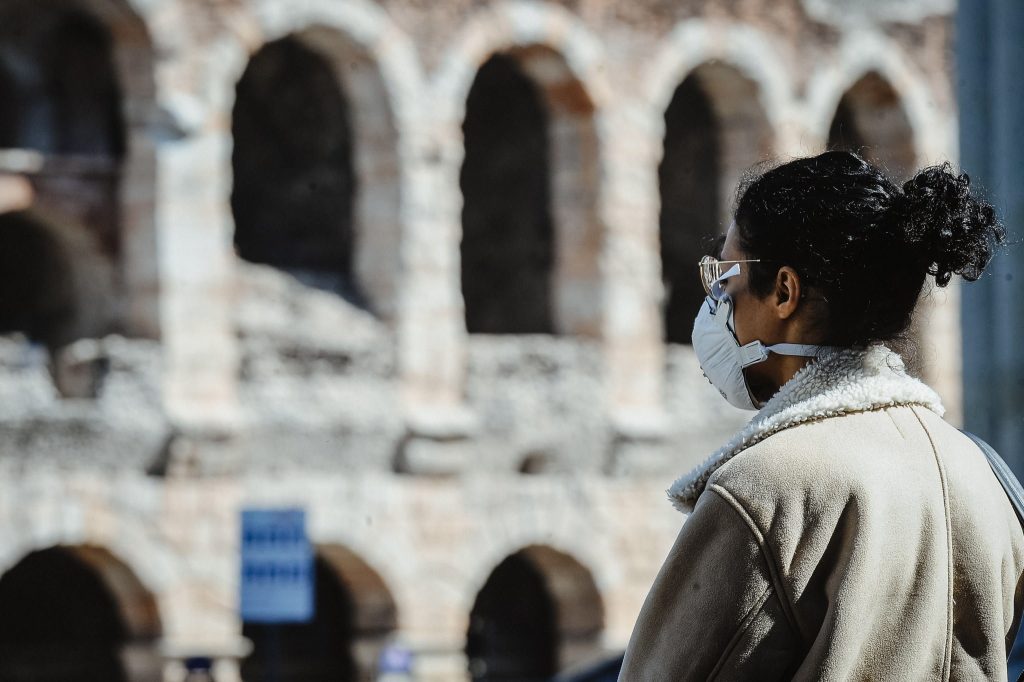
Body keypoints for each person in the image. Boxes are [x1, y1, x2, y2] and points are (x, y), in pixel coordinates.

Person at [620, 151, 1023, 680]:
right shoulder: (990, 475)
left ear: (784, 291)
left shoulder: (764, 488)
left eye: (726, 276)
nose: (717, 300)